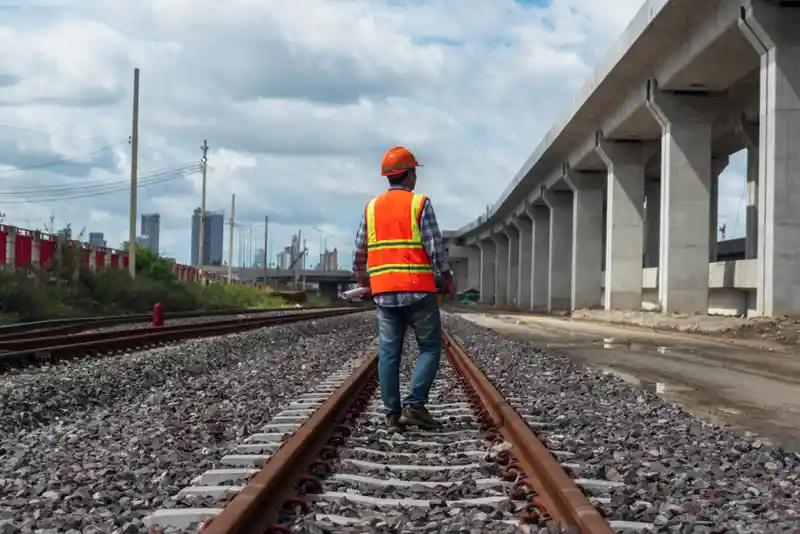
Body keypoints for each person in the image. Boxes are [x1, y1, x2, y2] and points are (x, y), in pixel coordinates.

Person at [353, 146, 456, 433]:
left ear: (388, 177)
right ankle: (415, 404)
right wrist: (446, 278)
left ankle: (391, 414)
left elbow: (360, 248)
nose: (416, 177)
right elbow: (435, 248)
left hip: (384, 292)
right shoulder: (420, 204)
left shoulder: (371, 208)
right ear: (408, 174)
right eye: (415, 172)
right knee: (430, 346)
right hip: (418, 291)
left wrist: (362, 280)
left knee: (388, 351)